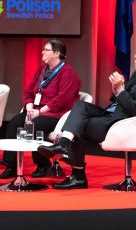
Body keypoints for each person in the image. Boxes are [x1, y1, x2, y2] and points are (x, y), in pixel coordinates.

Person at [38, 54, 136, 189]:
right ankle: (64, 145)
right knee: (80, 106)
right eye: (135, 58)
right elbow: (118, 99)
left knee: (79, 124)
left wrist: (120, 90)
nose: (135, 60)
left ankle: (78, 176)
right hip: (111, 114)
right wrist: (116, 89)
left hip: (121, 123)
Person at [0, 39, 81, 179]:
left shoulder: (68, 73)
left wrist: (39, 111)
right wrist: (29, 106)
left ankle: (42, 164)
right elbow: (29, 92)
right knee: (13, 124)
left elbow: (61, 100)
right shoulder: (42, 70)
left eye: (46, 50)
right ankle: (11, 166)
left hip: (55, 115)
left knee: (35, 126)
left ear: (56, 54)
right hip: (35, 111)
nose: (42, 52)